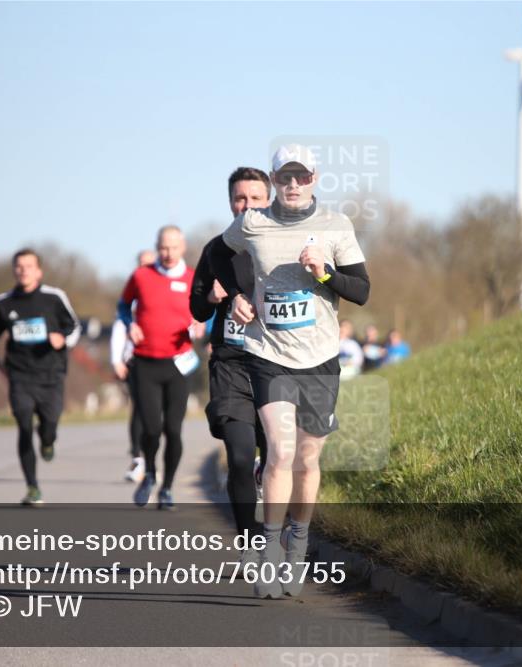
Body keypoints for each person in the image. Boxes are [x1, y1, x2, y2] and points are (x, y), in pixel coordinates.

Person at [216, 144, 370, 598]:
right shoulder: (253, 224)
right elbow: (217, 256)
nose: (294, 185)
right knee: (280, 454)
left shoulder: (336, 226)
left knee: (307, 459)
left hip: (320, 359)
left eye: (302, 177)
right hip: (269, 354)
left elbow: (361, 291)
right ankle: (268, 551)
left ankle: (298, 539)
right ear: (274, 179)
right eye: (285, 177)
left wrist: (324, 274)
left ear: (314, 178)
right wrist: (235, 297)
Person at [190, 167, 270, 553]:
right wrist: (212, 298)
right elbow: (196, 309)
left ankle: (274, 531)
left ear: (268, 200)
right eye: (241, 198)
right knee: (239, 455)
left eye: (255, 198)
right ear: (230, 202)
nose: (248, 205)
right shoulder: (216, 249)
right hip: (231, 364)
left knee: (275, 459)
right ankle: (250, 545)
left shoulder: (283, 246)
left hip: (276, 366)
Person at [0, 249, 81, 505]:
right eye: (19, 266)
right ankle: (32, 487)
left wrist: (63, 340)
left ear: (39, 271)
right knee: (23, 425)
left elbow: (74, 326)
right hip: (20, 374)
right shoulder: (3, 302)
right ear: (14, 270)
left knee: (49, 423)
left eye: (29, 266)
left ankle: (47, 441)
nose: (23, 270)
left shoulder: (54, 298)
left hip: (51, 373)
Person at [118, 226, 197, 510]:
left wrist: (202, 325)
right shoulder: (142, 275)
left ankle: (167, 488)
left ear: (183, 247)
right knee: (151, 429)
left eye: (173, 248)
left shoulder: (192, 278)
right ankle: (150, 473)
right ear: (157, 247)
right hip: (145, 363)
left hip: (178, 364)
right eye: (163, 247)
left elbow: (208, 314)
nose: (167, 253)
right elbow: (123, 306)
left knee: (173, 430)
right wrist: (131, 324)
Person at [111, 248, 157, 482]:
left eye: (149, 263)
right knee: (139, 408)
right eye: (140, 263)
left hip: (164, 360)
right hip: (135, 361)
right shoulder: (132, 293)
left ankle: (152, 460)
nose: (144, 267)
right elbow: (120, 326)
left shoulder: (164, 288)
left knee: (158, 414)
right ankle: (138, 458)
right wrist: (116, 359)